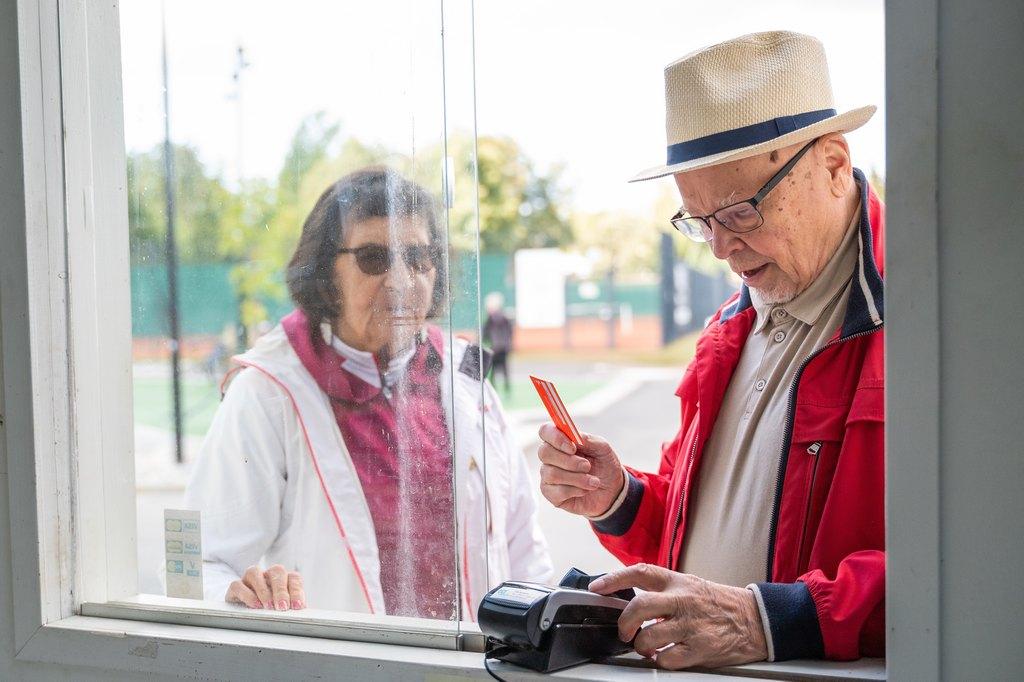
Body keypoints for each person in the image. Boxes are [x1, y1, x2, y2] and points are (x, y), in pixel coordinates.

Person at [536, 31, 885, 668]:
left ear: (833, 164)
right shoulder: (729, 325)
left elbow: (979, 562)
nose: (721, 249)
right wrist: (617, 499)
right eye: (700, 222)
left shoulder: (945, 320)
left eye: (742, 213)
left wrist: (770, 623)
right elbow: (691, 530)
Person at [184, 167, 552, 619]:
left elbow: (522, 547)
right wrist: (241, 595)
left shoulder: (464, 378)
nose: (402, 280)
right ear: (325, 274)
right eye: (374, 258)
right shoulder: (270, 389)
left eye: (419, 257)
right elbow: (204, 562)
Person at [482, 292, 513, 393]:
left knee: (497, 370)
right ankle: (505, 388)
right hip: (501, 348)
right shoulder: (503, 318)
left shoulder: (493, 318)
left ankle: (499, 389)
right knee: (501, 370)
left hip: (498, 348)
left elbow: (484, 332)